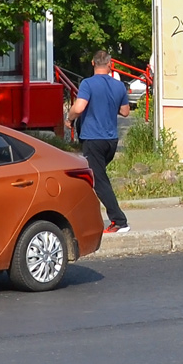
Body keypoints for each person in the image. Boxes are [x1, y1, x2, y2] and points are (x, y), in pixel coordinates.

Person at [66, 49, 132, 235]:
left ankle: (119, 221)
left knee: (98, 180)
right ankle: (81, 216)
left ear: (93, 64)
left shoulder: (88, 84)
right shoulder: (119, 86)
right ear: (110, 65)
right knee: (89, 178)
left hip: (93, 139)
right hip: (111, 141)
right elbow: (126, 112)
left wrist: (69, 119)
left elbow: (79, 107)